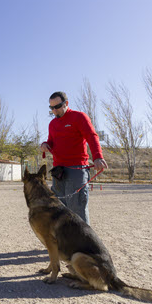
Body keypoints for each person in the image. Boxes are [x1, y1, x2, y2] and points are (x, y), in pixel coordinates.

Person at [40, 91, 108, 225]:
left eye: (57, 106)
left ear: (66, 103)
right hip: (58, 171)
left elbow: (92, 136)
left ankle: (84, 245)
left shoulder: (79, 117)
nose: (54, 110)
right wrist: (45, 145)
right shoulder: (52, 124)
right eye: (51, 108)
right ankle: (63, 244)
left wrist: (98, 157)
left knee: (77, 208)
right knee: (59, 208)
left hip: (77, 169)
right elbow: (51, 141)